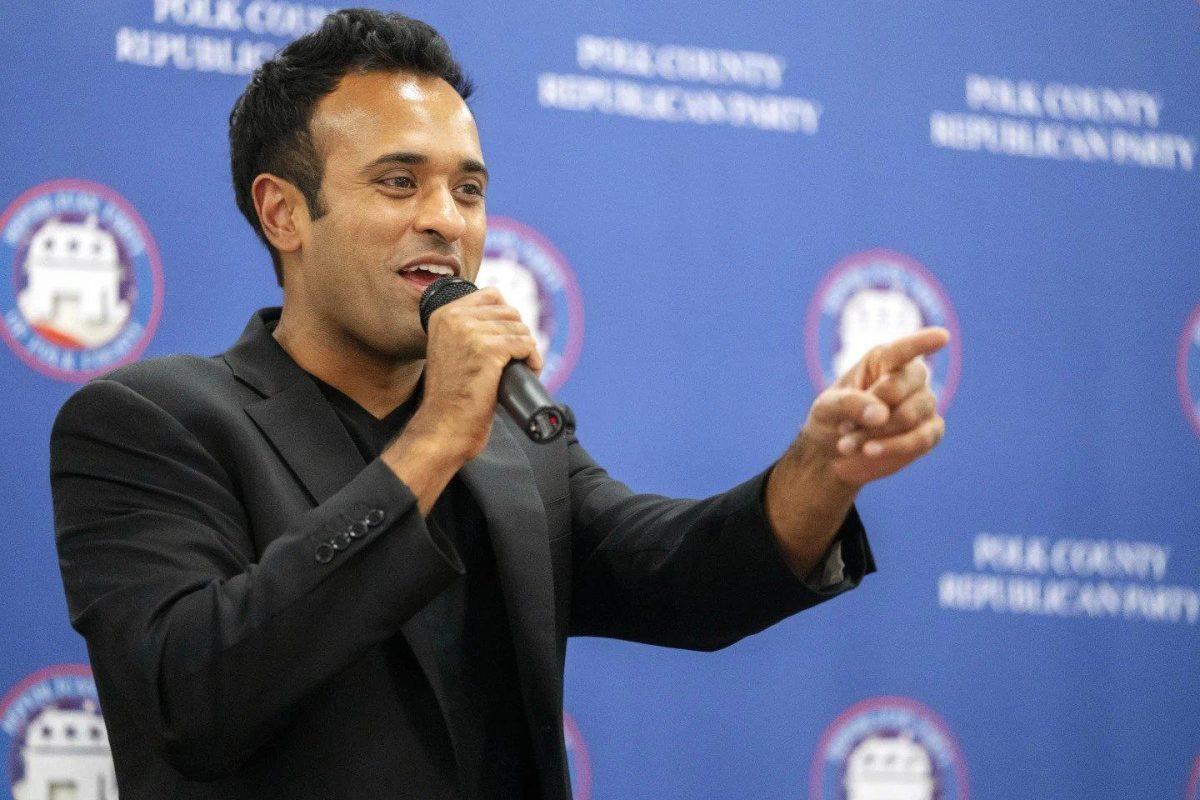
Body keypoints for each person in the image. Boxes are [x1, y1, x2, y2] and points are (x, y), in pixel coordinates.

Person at [49, 9, 948, 800]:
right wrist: (437, 438)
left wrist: (819, 471)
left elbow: (680, 578)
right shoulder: (150, 423)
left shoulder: (513, 430)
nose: (447, 218)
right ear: (284, 214)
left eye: (468, 189)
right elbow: (192, 696)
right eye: (399, 182)